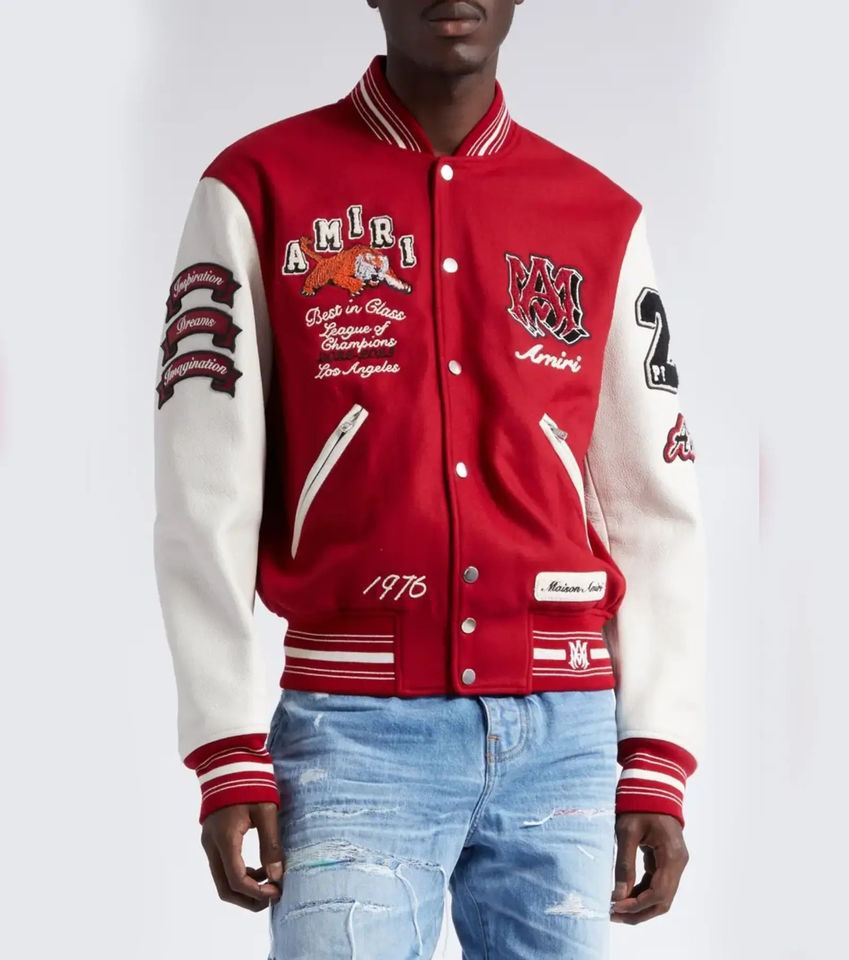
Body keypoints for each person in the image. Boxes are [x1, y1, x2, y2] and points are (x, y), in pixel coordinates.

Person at [152, 1, 707, 956]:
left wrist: (655, 752)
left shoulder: (597, 215)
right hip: (352, 729)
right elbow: (204, 483)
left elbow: (653, 502)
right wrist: (226, 743)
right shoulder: (258, 187)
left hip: (566, 741)